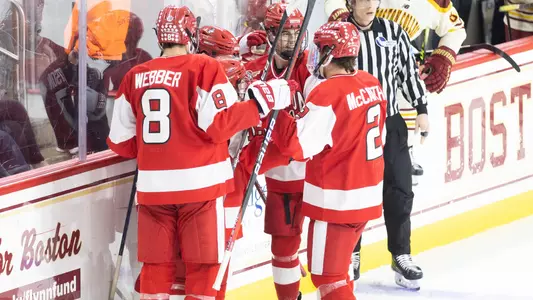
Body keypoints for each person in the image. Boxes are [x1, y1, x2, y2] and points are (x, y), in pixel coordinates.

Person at [106, 5, 291, 299]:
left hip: (153, 192)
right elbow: (221, 125)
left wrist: (160, 152)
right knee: (204, 269)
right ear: (190, 34)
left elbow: (120, 142)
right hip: (200, 192)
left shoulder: (135, 76)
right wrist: (259, 104)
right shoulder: (204, 68)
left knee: (155, 268)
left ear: (160, 37)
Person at [272, 21, 387, 300]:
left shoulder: (327, 93)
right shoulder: (372, 83)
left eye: (319, 50)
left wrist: (278, 110)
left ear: (327, 53)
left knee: (328, 278)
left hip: (336, 201)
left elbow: (297, 146)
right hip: (367, 196)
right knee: (341, 272)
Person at [325, 0, 430, 290]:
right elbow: (320, 73)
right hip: (352, 127)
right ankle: (352, 252)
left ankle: (401, 254)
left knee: (400, 189)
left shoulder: (394, 32)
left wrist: (421, 109)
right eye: (363, 0)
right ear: (350, 3)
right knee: (355, 192)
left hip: (391, 122)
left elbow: (407, 73)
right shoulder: (335, 34)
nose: (371, 4)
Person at [327, 0, 466, 185]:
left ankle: (406, 149)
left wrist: (443, 57)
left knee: (406, 84)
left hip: (397, 60)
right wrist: (342, 17)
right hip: (356, 54)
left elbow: (456, 29)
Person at [245, 3, 311, 299]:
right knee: (283, 246)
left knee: (330, 248)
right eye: (286, 34)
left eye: (298, 32)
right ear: (270, 34)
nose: (293, 40)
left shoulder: (312, 65)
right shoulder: (255, 71)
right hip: (282, 176)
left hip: (320, 172)